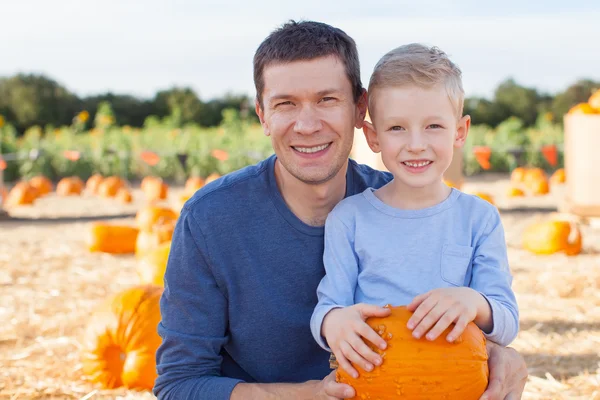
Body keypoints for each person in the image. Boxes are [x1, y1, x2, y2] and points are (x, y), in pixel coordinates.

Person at [153, 20, 528, 400]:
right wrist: (308, 393)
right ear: (262, 114)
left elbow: (479, 324)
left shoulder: (413, 201)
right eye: (285, 104)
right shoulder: (210, 219)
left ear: (359, 108)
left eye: (327, 99)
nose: (307, 124)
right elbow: (179, 384)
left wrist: (503, 357)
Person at [310, 43, 519, 380]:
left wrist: (473, 302)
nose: (416, 143)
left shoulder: (479, 218)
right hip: (377, 382)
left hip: (454, 383)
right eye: (397, 128)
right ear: (374, 137)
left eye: (433, 126)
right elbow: (329, 304)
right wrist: (333, 322)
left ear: (460, 132)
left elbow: (507, 322)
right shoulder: (349, 218)